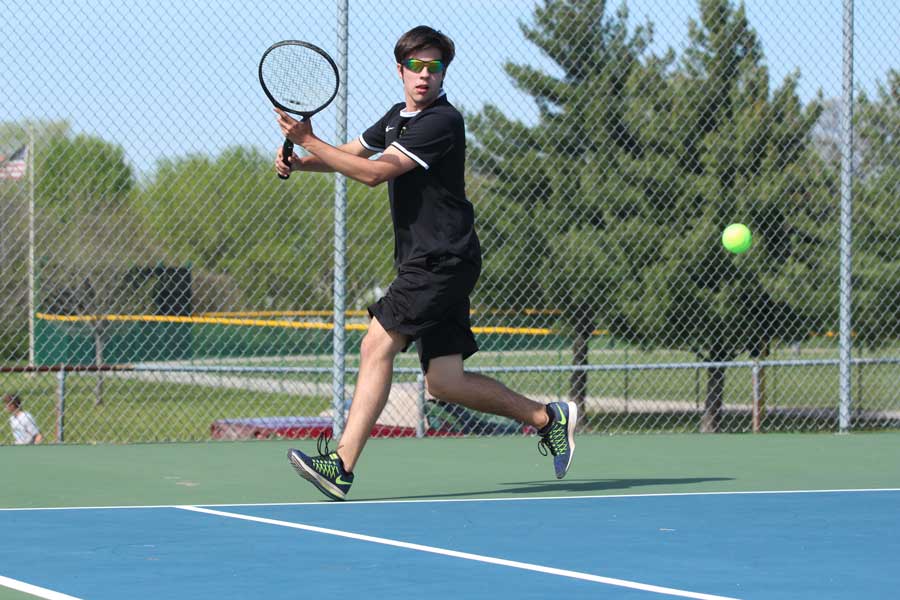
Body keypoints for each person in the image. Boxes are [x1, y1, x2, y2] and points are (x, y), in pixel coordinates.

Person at [274, 26, 576, 501]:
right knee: (445, 381)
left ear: (442, 74)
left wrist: (308, 138)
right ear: (400, 70)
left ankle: (342, 464)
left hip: (441, 260)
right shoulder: (397, 118)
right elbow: (355, 154)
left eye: (433, 67)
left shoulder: (442, 121)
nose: (424, 75)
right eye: (415, 66)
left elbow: (374, 173)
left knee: (376, 346)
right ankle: (547, 417)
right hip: (438, 261)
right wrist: (302, 161)